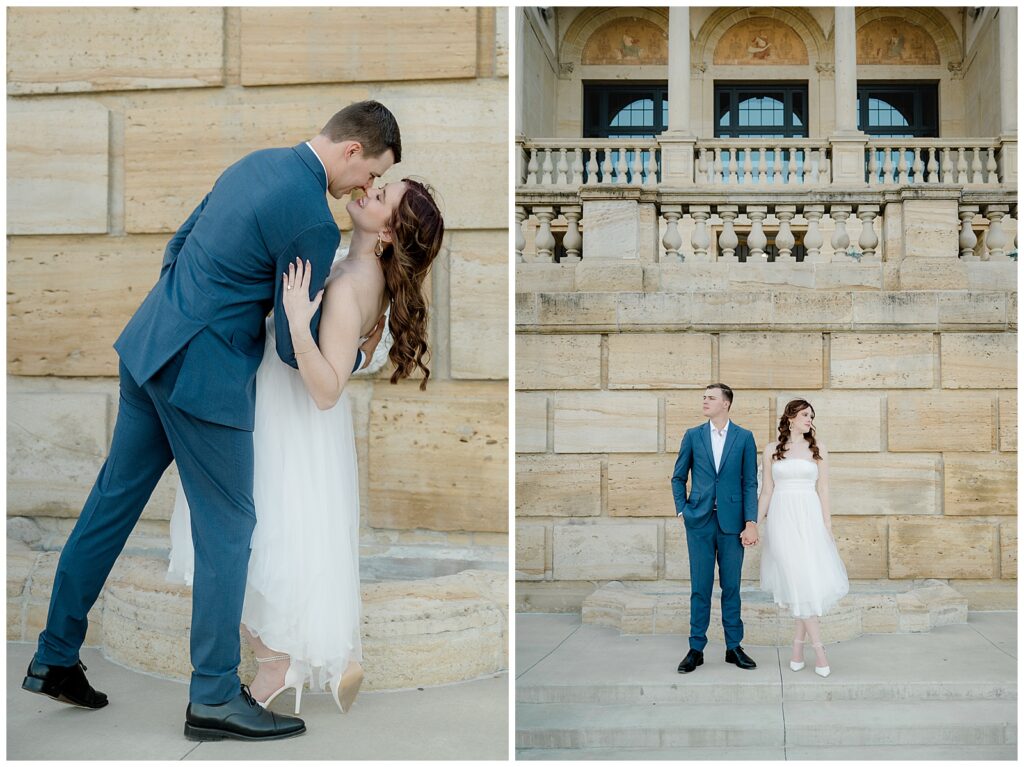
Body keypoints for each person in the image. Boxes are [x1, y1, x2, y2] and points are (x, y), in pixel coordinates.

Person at [23, 101, 401, 742]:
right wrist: (356, 342)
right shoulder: (310, 217)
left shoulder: (252, 165)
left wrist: (188, 309)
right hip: (204, 380)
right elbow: (290, 345)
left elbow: (178, 244)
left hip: (149, 345)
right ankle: (215, 697)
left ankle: (56, 655)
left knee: (111, 504)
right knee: (230, 527)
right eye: (371, 174)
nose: (366, 188)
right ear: (351, 151)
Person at [167, 176, 444, 716]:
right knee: (266, 536)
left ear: (386, 232)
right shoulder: (353, 264)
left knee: (240, 536)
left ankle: (276, 660)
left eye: (381, 196)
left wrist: (296, 320)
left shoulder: (353, 282)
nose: (370, 190)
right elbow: (360, 350)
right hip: (280, 412)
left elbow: (324, 389)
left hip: (291, 418)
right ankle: (284, 657)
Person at [671, 383, 760, 674]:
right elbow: (678, 476)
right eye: (704, 398)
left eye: (711, 398)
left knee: (731, 586)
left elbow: (750, 482)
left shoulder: (744, 437)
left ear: (726, 403)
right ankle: (696, 648)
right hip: (699, 522)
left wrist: (751, 522)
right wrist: (682, 509)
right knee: (700, 586)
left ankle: (734, 646)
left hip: (733, 524)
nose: (705, 401)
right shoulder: (693, 435)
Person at [758, 399, 850, 678]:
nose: (809, 419)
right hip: (782, 519)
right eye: (805, 414)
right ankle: (819, 649)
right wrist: (753, 523)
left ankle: (798, 647)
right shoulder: (772, 450)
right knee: (797, 579)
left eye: (811, 415)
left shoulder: (818, 448)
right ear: (790, 417)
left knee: (806, 582)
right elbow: (766, 492)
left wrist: (827, 525)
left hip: (809, 518)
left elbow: (823, 490)